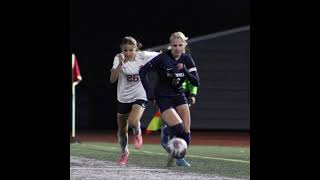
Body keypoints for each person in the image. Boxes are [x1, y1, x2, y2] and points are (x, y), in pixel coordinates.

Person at [139, 32, 200, 167]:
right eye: (174, 45)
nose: (177, 48)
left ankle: (179, 157)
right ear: (170, 46)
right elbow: (142, 73)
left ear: (185, 45)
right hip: (163, 96)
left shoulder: (187, 59)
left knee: (186, 131)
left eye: (180, 45)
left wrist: (185, 71)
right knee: (178, 127)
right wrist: (150, 95)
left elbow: (196, 82)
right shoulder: (162, 58)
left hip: (179, 95)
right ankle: (166, 132)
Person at [110, 36, 160, 165]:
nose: (127, 53)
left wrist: (174, 49)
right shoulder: (118, 58)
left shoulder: (143, 56)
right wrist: (120, 64)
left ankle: (137, 132)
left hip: (140, 94)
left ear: (136, 49)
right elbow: (112, 79)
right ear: (121, 49)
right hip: (123, 97)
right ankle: (124, 153)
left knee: (133, 120)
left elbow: (162, 55)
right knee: (122, 130)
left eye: (130, 50)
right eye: (125, 50)